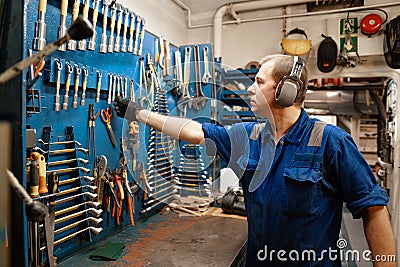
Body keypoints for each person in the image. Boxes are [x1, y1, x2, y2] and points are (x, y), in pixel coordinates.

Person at [114, 54, 396, 266]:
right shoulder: (247, 136)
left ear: (286, 91)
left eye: (259, 82)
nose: (250, 89)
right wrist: (140, 114)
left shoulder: (331, 142)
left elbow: (374, 210)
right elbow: (194, 130)